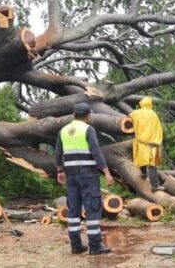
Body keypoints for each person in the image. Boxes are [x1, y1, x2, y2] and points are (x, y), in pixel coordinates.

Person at [55, 103, 114, 255]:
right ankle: (95, 246)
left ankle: (76, 245)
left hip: (71, 176)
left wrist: (60, 171)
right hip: (88, 174)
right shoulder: (88, 129)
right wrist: (106, 172)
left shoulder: (64, 130)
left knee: (73, 209)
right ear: (88, 115)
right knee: (92, 208)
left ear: (74, 115)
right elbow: (96, 151)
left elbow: (58, 153)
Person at [129, 96, 164, 192]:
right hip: (151, 143)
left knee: (142, 160)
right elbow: (158, 128)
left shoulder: (136, 113)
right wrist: (157, 141)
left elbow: (129, 115)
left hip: (140, 142)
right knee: (151, 165)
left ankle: (143, 174)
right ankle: (155, 187)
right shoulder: (153, 114)